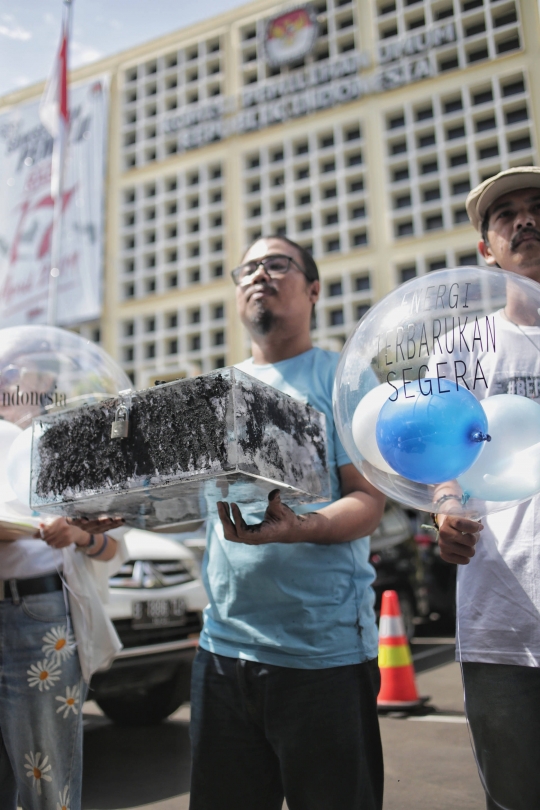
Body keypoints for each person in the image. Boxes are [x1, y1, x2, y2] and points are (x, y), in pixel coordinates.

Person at [189, 236, 386, 810]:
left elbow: (368, 500)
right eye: (247, 268)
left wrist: (301, 527)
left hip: (322, 657)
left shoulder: (343, 379)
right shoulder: (219, 390)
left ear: (314, 288)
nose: (260, 275)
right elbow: (191, 511)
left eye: (278, 264)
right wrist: (114, 514)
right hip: (222, 649)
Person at [436, 166, 540, 810]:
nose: (524, 220)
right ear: (486, 249)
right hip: (501, 620)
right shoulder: (461, 348)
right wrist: (445, 510)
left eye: (537, 207)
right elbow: (439, 457)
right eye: (506, 217)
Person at [0, 513, 124, 810]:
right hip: (38, 613)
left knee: (48, 784)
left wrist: (78, 535)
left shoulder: (66, 465)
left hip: (39, 612)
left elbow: (111, 546)